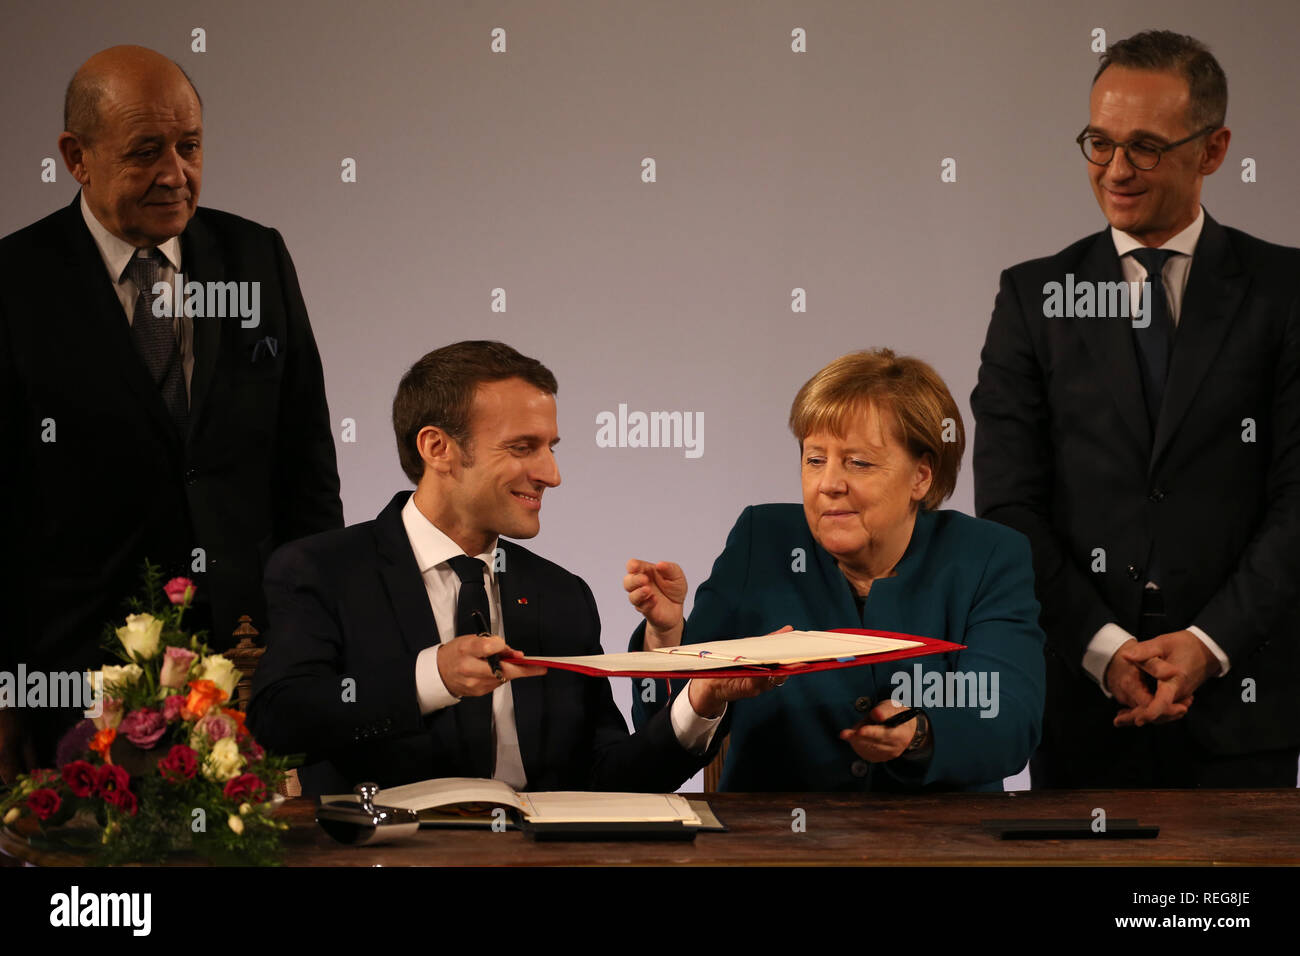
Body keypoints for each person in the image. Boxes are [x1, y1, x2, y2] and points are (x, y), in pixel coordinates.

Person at [0, 45, 343, 782]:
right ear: (76, 156)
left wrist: (322, 636)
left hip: (250, 661)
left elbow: (306, 466)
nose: (174, 173)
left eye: (189, 147)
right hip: (72, 678)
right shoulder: (14, 285)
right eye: (145, 152)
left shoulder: (256, 256)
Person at [972, 30, 1300, 788]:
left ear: (1213, 150)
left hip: (1243, 713)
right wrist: (1104, 648)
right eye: (1099, 142)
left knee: (1211, 913)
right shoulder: (1032, 297)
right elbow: (1010, 506)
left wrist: (1210, 643)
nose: (1115, 170)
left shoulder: (1285, 294)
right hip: (1082, 714)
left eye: (1146, 146)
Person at [250, 341, 738, 795]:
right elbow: (280, 722)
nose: (552, 474)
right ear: (437, 448)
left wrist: (702, 701)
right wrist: (430, 677)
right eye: (523, 448)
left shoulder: (561, 595)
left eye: (551, 447)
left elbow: (609, 778)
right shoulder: (323, 570)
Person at [626, 349, 1045, 791]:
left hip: (934, 850)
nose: (828, 484)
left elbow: (1009, 720)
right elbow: (661, 739)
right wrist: (666, 637)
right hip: (773, 849)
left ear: (921, 476)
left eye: (858, 462)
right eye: (814, 459)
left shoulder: (988, 556)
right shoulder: (761, 541)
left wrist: (918, 734)